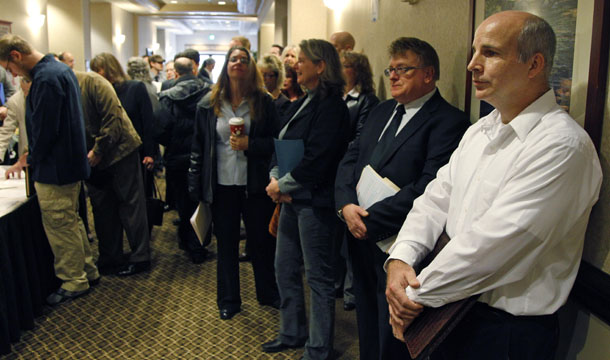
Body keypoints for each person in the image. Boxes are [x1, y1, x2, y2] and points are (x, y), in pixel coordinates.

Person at [385, 11, 602, 360]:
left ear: (534, 65)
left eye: (490, 52)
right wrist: (401, 258)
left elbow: (496, 244)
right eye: (474, 52)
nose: (472, 64)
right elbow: (435, 200)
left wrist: (413, 295)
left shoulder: (562, 145)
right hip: (445, 305)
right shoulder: (481, 129)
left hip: (505, 332)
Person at [334, 37, 470, 360]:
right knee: (365, 319)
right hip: (358, 234)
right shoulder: (382, 111)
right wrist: (344, 207)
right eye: (391, 69)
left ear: (428, 74)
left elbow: (427, 187)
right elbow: (350, 159)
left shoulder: (450, 122)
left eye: (403, 69)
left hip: (398, 244)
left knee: (392, 334)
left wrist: (367, 220)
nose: (392, 76)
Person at [263, 39, 350, 360]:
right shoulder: (307, 100)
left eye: (301, 60)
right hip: (292, 198)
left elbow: (318, 158)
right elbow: (285, 144)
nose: (294, 65)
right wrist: (276, 177)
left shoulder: (332, 106)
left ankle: (318, 349)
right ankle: (292, 331)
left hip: (314, 202)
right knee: (284, 267)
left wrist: (281, 183)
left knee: (318, 277)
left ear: (321, 66)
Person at [0, 34, 99, 305]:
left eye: (11, 69)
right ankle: (87, 270)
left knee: (60, 225)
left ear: (16, 56)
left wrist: (29, 158)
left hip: (55, 169)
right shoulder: (60, 69)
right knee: (72, 221)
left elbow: (45, 130)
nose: (13, 75)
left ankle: (73, 280)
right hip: (70, 164)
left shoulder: (44, 78)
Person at [189, 46, 281, 320]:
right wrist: (195, 187)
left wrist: (250, 144)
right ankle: (229, 300)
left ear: (250, 66)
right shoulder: (209, 103)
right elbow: (198, 147)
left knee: (261, 242)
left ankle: (267, 293)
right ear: (225, 66)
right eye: (233, 59)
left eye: (243, 59)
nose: (238, 63)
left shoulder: (263, 102)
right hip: (221, 185)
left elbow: (278, 144)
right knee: (226, 244)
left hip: (254, 185)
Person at [74, 69, 151, 277]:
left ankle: (140, 256)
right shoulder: (60, 89)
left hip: (120, 151)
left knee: (131, 204)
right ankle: (110, 256)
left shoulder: (92, 82)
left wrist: (98, 150)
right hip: (93, 158)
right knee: (102, 207)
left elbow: (113, 119)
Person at [334, 51, 381, 313]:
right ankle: (340, 283)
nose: (341, 70)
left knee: (352, 233)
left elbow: (360, 139)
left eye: (347, 66)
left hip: (352, 170)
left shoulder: (366, 101)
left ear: (358, 70)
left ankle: (352, 290)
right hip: (336, 171)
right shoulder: (337, 98)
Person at [156, 57, 211, 263]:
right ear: (194, 70)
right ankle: (200, 242)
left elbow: (160, 130)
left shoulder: (167, 96)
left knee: (182, 201)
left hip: (177, 156)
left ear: (176, 73)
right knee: (203, 200)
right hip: (204, 155)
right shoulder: (210, 91)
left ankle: (188, 241)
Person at [90, 53, 156, 198]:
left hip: (135, 152)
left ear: (110, 69)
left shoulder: (135, 88)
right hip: (109, 152)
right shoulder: (97, 92)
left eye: (98, 70)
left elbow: (148, 122)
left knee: (136, 198)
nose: (95, 74)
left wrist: (150, 153)